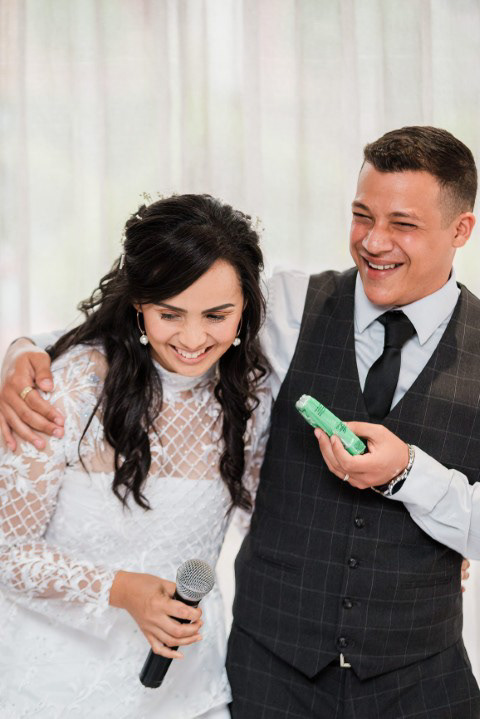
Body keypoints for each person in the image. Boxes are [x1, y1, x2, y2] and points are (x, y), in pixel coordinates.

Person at [1, 126, 479, 717]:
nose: (374, 241)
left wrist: (416, 482)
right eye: (362, 216)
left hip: (423, 677)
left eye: (402, 223)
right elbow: (161, 317)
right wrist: (24, 351)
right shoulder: (288, 306)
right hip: (269, 671)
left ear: (461, 229)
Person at [0, 193, 272, 719]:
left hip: (189, 692)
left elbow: (267, 523)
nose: (193, 338)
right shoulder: (68, 387)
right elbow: (6, 550)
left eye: (217, 315)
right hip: (54, 689)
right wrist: (121, 590)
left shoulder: (252, 396)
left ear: (246, 309)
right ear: (139, 305)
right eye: (170, 314)